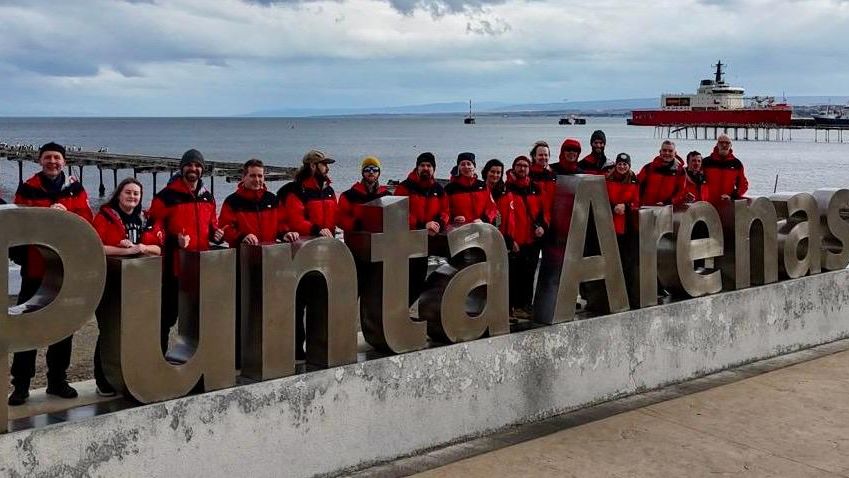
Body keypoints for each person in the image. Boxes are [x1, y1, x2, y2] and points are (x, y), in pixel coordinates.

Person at [8, 142, 94, 406]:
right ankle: (21, 385)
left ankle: (58, 380)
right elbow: (17, 223)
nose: (53, 162)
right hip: (35, 268)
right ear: (39, 160)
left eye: (57, 158)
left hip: (65, 268)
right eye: (48, 158)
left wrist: (67, 214)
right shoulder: (28, 187)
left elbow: (87, 220)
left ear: (64, 162)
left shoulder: (76, 189)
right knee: (28, 325)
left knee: (63, 326)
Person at [148, 149, 224, 355]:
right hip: (174, 267)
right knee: (167, 317)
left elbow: (212, 226)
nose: (194, 169)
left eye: (198, 165)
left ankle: (196, 359)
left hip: (200, 266)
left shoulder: (208, 197)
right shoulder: (166, 196)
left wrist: (217, 234)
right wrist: (173, 239)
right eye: (190, 165)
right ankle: (158, 358)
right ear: (182, 167)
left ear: (203, 169)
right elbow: (152, 228)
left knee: (197, 315)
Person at [91, 178, 163, 396]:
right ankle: (103, 379)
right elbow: (96, 247)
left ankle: (130, 374)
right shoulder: (104, 216)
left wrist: (141, 247)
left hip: (139, 283)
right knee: (109, 330)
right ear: (118, 194)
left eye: (136, 194)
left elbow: (159, 248)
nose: (132, 197)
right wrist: (126, 251)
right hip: (110, 281)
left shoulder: (146, 218)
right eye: (128, 192)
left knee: (134, 329)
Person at [278, 150, 339, 361]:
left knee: (319, 300)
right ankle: (295, 348)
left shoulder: (329, 190)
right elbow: (294, 219)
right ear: (313, 166)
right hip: (300, 255)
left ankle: (318, 345)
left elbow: (335, 217)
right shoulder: (295, 190)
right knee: (297, 302)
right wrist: (316, 229)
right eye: (323, 164)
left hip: (324, 253)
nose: (327, 168)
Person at [394, 152, 450, 305]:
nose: (426, 168)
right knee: (405, 280)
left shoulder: (438, 188)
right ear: (417, 168)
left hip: (426, 242)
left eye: (429, 166)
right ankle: (399, 312)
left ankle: (406, 311)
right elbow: (400, 212)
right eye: (422, 165)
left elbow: (445, 210)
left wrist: (439, 224)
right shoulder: (405, 187)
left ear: (434, 169)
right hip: (407, 242)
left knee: (418, 280)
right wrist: (422, 225)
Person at [498, 155, 546, 319]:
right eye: (519, 165)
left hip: (531, 240)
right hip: (515, 240)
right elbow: (502, 217)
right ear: (513, 168)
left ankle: (525, 306)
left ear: (529, 168)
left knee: (529, 274)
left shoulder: (535, 188)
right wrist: (509, 240)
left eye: (525, 166)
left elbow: (541, 211)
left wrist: (541, 226)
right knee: (513, 276)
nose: (522, 168)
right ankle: (512, 307)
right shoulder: (505, 188)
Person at [219, 159, 299, 245]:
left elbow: (281, 222)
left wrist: (285, 233)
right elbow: (225, 228)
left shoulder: (272, 199)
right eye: (252, 176)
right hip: (243, 253)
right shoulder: (232, 201)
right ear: (244, 177)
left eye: (260, 176)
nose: (257, 180)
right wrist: (242, 237)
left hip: (269, 252)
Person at [336, 156, 391, 234]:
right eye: (367, 169)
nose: (371, 172)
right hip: (357, 239)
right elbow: (339, 218)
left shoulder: (386, 195)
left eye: (375, 169)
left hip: (382, 240)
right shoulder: (349, 195)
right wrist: (355, 224)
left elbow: (395, 216)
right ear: (362, 172)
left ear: (379, 172)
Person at [445, 152, 497, 227]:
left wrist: (483, 220)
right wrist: (453, 218)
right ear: (458, 168)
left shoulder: (483, 186)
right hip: (460, 229)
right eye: (462, 164)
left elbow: (491, 208)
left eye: (469, 164)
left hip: (481, 227)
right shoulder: (450, 188)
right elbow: (445, 210)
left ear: (474, 167)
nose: (466, 167)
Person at [702, 134, 748, 206]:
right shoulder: (706, 162)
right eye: (721, 142)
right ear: (717, 144)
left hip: (727, 204)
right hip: (708, 204)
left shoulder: (736, 164)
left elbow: (743, 185)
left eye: (727, 143)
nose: (724, 145)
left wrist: (733, 196)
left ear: (731, 145)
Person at [637, 140, 686, 207]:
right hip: (646, 207)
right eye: (664, 150)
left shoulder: (680, 171)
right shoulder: (649, 168)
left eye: (670, 151)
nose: (667, 153)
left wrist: (668, 202)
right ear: (660, 152)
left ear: (675, 153)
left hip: (667, 208)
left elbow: (681, 192)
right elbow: (637, 186)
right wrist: (639, 203)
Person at [605, 153, 640, 236]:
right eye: (619, 164)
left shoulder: (634, 181)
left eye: (625, 164)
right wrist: (613, 207)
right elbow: (603, 198)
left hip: (627, 222)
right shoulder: (608, 180)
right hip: (610, 218)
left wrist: (626, 206)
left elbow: (636, 201)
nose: (622, 166)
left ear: (629, 166)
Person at [528, 140, 557, 225]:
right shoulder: (528, 175)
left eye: (546, 155)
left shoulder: (553, 175)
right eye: (540, 155)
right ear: (534, 156)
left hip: (550, 220)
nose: (543, 157)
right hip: (534, 221)